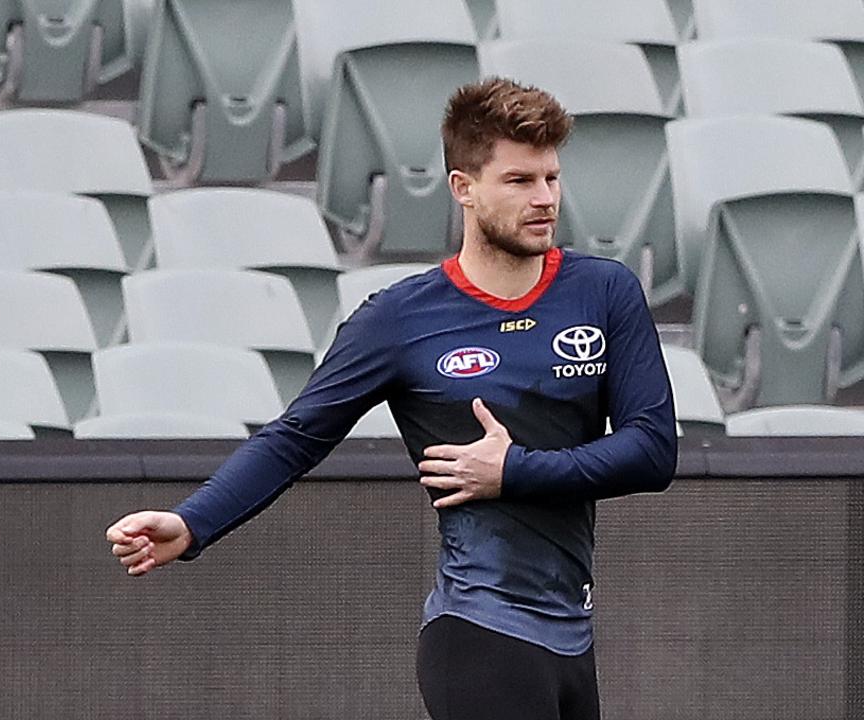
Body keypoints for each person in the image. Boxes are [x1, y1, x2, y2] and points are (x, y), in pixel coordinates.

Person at [105, 77, 677, 720]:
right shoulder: (400, 319)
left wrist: (513, 471)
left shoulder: (604, 291)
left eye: (551, 178)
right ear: (463, 188)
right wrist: (193, 523)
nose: (544, 198)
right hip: (479, 634)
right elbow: (295, 437)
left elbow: (653, 451)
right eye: (519, 181)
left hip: (574, 640)